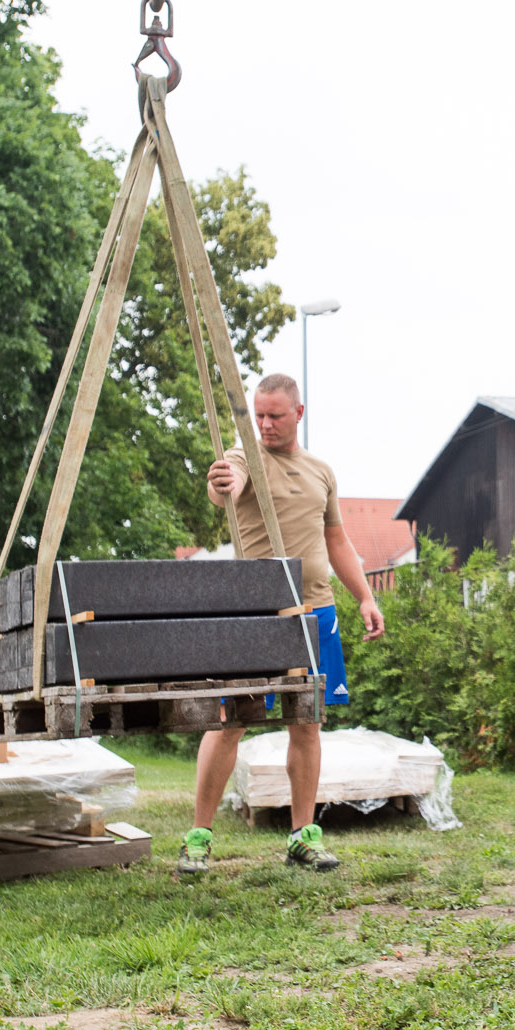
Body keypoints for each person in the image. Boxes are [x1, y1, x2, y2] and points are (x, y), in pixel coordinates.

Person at [178, 373, 385, 874]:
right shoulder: (243, 456)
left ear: (299, 413)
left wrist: (364, 596)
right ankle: (199, 837)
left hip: (316, 610)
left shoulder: (321, 471)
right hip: (256, 612)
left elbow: (337, 542)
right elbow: (227, 483)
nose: (265, 425)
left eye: (274, 415)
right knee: (231, 722)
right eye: (258, 415)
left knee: (306, 723)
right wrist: (220, 483)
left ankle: (302, 837)